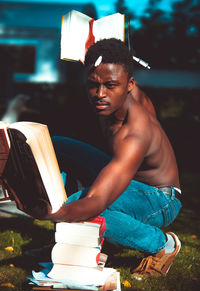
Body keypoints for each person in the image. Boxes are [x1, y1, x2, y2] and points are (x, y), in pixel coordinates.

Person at [18, 38, 182, 278]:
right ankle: (73, 238)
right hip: (126, 174)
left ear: (130, 85)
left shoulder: (135, 133)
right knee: (52, 145)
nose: (100, 94)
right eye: (93, 84)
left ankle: (162, 244)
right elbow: (107, 65)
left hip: (159, 198)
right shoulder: (112, 78)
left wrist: (51, 213)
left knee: (85, 208)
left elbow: (96, 199)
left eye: (110, 85)